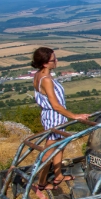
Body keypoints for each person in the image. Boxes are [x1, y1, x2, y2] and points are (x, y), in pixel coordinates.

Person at [32, 47, 90, 190]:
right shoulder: (46, 80)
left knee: (59, 145)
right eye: (53, 60)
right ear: (45, 63)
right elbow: (56, 105)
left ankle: (58, 175)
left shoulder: (39, 75)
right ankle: (42, 183)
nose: (56, 61)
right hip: (54, 117)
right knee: (49, 151)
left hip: (50, 115)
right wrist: (75, 116)